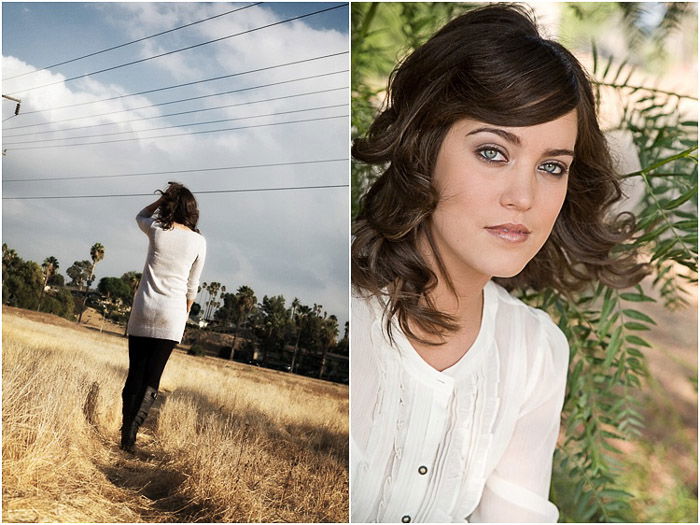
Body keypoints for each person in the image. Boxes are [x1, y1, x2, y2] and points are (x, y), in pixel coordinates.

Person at [350, 4, 647, 523]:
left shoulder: (535, 352)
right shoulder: (346, 310)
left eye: (551, 166)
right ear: (423, 146)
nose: (524, 196)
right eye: (493, 152)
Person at [121, 182, 206, 452]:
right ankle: (133, 434)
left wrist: (160, 202)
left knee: (135, 372)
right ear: (191, 210)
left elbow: (140, 216)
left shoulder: (157, 230)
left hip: (144, 308)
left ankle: (125, 434)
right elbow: (192, 287)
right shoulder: (198, 242)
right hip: (172, 316)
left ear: (170, 205)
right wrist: (185, 311)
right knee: (152, 377)